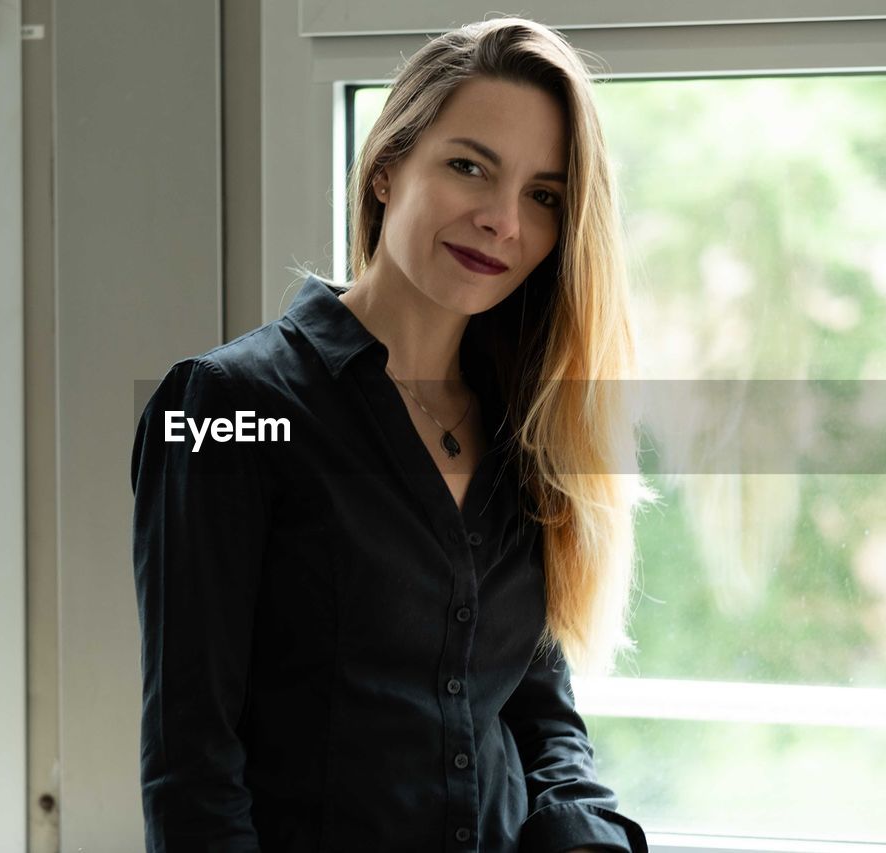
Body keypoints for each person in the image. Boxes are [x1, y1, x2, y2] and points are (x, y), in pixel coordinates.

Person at [131, 15, 654, 853]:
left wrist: (587, 834)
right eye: (468, 167)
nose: (502, 220)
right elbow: (191, 765)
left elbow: (536, 709)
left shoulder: (526, 427)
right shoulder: (223, 406)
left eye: (543, 196)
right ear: (384, 170)